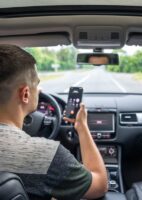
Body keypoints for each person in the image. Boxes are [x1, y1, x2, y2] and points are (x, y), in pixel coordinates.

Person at [0, 44, 108, 200]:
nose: (39, 89)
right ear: (25, 94)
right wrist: (82, 127)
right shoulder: (40, 154)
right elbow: (100, 185)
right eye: (36, 85)